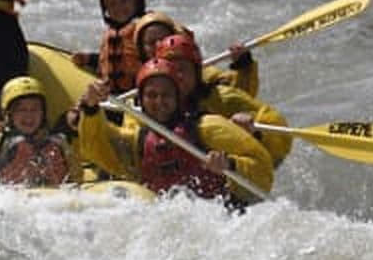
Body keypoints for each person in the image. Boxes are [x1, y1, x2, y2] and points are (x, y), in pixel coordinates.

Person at [77, 58, 273, 205]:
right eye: (151, 95)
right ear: (141, 100)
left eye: (166, 95)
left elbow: (263, 167)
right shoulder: (137, 140)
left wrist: (231, 164)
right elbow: (96, 148)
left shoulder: (209, 127)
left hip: (218, 215)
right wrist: (90, 108)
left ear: (178, 98)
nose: (159, 101)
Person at [154, 34, 290, 166]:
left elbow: (279, 146)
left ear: (196, 72)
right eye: (170, 70)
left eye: (182, 69)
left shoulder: (224, 98)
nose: (177, 76)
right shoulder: (151, 103)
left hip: (223, 169)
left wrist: (256, 133)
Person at [0, 76, 82, 186]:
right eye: (21, 109)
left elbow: (77, 179)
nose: (29, 115)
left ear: (43, 113)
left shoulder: (59, 143)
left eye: (35, 109)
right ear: (8, 114)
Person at [133, 11, 258, 96]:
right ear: (141, 49)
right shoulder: (136, 84)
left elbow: (242, 93)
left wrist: (244, 66)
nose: (159, 45)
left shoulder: (202, 73)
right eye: (151, 42)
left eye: (164, 38)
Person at [72, 0, 147, 95]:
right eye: (112, 3)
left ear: (137, 2)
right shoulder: (111, 34)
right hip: (112, 96)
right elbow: (108, 61)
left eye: (124, 1)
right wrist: (88, 59)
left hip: (139, 94)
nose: (119, 7)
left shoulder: (146, 28)